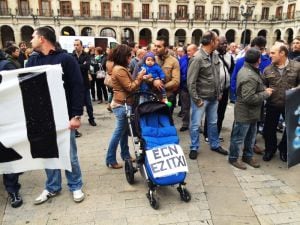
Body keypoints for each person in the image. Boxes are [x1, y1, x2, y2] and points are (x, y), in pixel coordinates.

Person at [26, 26, 85, 204]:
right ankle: (52, 187)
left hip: (64, 116)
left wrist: (76, 115)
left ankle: (75, 185)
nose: (30, 41)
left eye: (33, 37)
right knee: (47, 153)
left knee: (69, 153)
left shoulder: (66, 59)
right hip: (41, 117)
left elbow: (77, 86)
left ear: (42, 38)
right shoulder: (32, 61)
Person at [228, 48, 273, 169]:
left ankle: (247, 156)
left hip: (252, 112)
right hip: (245, 112)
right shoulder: (249, 75)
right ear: (258, 60)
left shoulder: (251, 70)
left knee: (251, 136)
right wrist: (266, 94)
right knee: (238, 137)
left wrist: (262, 89)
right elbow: (249, 98)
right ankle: (233, 158)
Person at [187, 31, 228, 160]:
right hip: (201, 99)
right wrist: (197, 99)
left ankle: (214, 144)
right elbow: (191, 82)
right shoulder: (197, 58)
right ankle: (194, 147)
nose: (218, 43)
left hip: (213, 98)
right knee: (195, 124)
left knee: (212, 123)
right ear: (211, 42)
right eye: (216, 41)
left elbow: (216, 76)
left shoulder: (214, 55)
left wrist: (219, 92)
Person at [105, 44, 146, 169]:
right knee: (118, 132)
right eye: (129, 56)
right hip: (121, 104)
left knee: (123, 132)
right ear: (124, 56)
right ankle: (110, 158)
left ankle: (125, 155)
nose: (131, 58)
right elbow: (130, 87)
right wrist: (139, 78)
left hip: (122, 103)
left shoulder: (119, 68)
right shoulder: (120, 70)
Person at [262, 44, 300, 162]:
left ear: (282, 53)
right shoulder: (267, 69)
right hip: (273, 104)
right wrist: (264, 89)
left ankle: (283, 150)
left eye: (273, 53)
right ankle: (270, 150)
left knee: (290, 129)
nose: (270, 55)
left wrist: (297, 88)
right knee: (269, 129)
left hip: (290, 104)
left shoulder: (297, 67)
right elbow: (263, 84)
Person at [0, 49, 23, 208]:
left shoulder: (5, 66)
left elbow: (18, 89)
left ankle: (12, 189)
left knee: (6, 153)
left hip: (4, 118)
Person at [203, 36, 233, 142]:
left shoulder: (229, 56)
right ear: (216, 44)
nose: (224, 45)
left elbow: (231, 70)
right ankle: (207, 133)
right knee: (211, 113)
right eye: (221, 43)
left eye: (226, 43)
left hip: (225, 90)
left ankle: (216, 133)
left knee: (221, 113)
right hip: (214, 90)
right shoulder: (211, 56)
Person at [153, 36, 180, 114]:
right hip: (153, 97)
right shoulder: (151, 59)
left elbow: (176, 81)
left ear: (166, 48)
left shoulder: (174, 61)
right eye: (155, 46)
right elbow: (145, 75)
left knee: (166, 121)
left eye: (158, 46)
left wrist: (161, 86)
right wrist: (154, 81)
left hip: (167, 97)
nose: (155, 48)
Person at [73, 39, 97, 127]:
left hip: (85, 83)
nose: (76, 46)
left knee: (88, 104)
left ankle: (91, 119)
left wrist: (77, 66)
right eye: (74, 45)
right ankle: (76, 119)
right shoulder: (72, 55)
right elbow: (72, 67)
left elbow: (86, 67)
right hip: (75, 84)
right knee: (75, 103)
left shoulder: (86, 55)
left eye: (77, 45)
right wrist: (80, 65)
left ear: (81, 46)